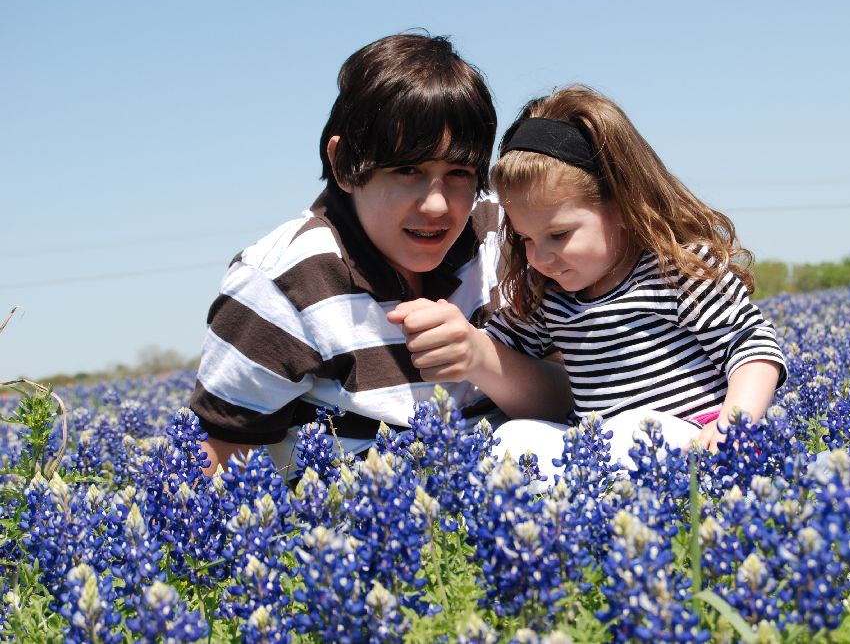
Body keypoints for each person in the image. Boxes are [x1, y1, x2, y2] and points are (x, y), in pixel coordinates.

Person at [189, 33, 572, 477]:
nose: (436, 205)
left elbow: (573, 396)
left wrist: (483, 358)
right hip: (355, 512)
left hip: (516, 497)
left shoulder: (506, 235)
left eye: (459, 172)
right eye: (407, 169)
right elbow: (216, 457)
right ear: (344, 165)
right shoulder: (282, 282)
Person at [388, 85, 787, 478]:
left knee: (636, 428)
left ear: (622, 205)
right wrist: (448, 330)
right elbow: (494, 346)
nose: (539, 257)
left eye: (558, 235)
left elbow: (751, 345)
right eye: (526, 239)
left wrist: (733, 426)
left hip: (694, 444)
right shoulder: (549, 296)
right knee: (512, 437)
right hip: (599, 451)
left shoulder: (677, 270)